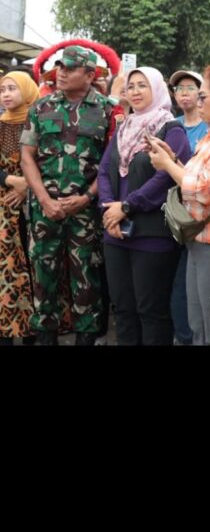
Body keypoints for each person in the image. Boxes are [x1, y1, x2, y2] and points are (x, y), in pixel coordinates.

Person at [20, 45, 114, 346]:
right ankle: (46, 337)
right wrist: (44, 200)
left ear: (90, 75)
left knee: (87, 280)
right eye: (60, 67)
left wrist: (86, 198)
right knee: (43, 278)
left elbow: (111, 162)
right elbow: (27, 158)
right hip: (44, 210)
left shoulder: (108, 110)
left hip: (85, 211)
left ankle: (86, 337)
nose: (61, 72)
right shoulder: (40, 107)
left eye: (70, 68)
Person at [97, 67, 190, 345]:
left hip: (152, 234)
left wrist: (126, 206)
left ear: (157, 89)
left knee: (152, 312)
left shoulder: (170, 129)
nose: (135, 92)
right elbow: (103, 170)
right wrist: (108, 209)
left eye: (142, 85)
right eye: (131, 86)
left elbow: (166, 177)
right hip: (116, 232)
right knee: (123, 310)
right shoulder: (124, 127)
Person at [148, 63, 210, 345]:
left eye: (203, 95)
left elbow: (207, 189)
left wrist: (168, 167)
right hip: (200, 238)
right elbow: (196, 178)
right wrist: (172, 161)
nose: (197, 101)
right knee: (197, 322)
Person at [168, 69, 208, 345]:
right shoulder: (171, 124)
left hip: (200, 219)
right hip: (172, 215)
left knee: (190, 294)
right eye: (178, 88)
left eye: (190, 88)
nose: (183, 93)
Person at [0, 71, 39, 345]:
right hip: (3, 208)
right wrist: (11, 181)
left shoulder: (38, 122)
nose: (6, 94)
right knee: (7, 271)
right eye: (2, 89)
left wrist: (27, 186)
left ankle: (31, 331)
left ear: (26, 91)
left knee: (34, 266)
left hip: (35, 204)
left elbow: (49, 160)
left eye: (12, 88)